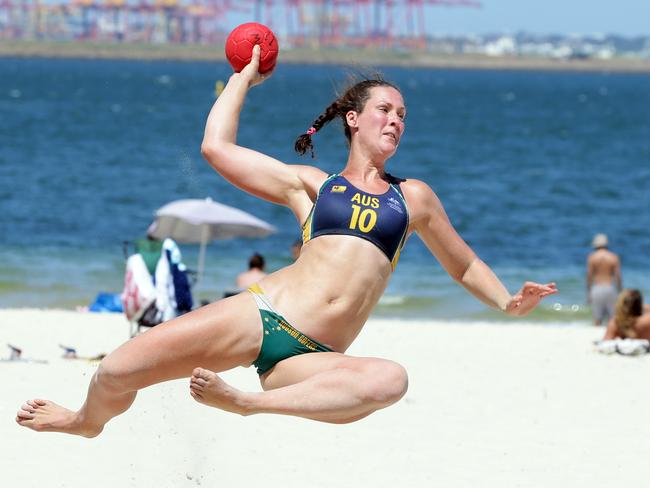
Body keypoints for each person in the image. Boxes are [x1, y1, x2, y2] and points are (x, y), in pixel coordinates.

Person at [16, 46, 556, 437]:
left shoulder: (413, 198)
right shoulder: (314, 187)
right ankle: (85, 422)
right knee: (115, 370)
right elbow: (216, 148)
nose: (396, 121)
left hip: (311, 362)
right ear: (353, 120)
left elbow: (463, 267)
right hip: (263, 314)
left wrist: (509, 302)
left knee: (390, 379)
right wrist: (242, 78)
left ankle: (247, 404)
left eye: (403, 116)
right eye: (385, 111)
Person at [586, 233, 621, 325]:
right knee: (613, 319)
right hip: (610, 287)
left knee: (597, 319)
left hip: (597, 288)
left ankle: (597, 336)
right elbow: (618, 276)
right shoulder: (613, 257)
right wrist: (620, 291)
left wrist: (588, 292)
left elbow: (589, 276)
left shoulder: (592, 257)